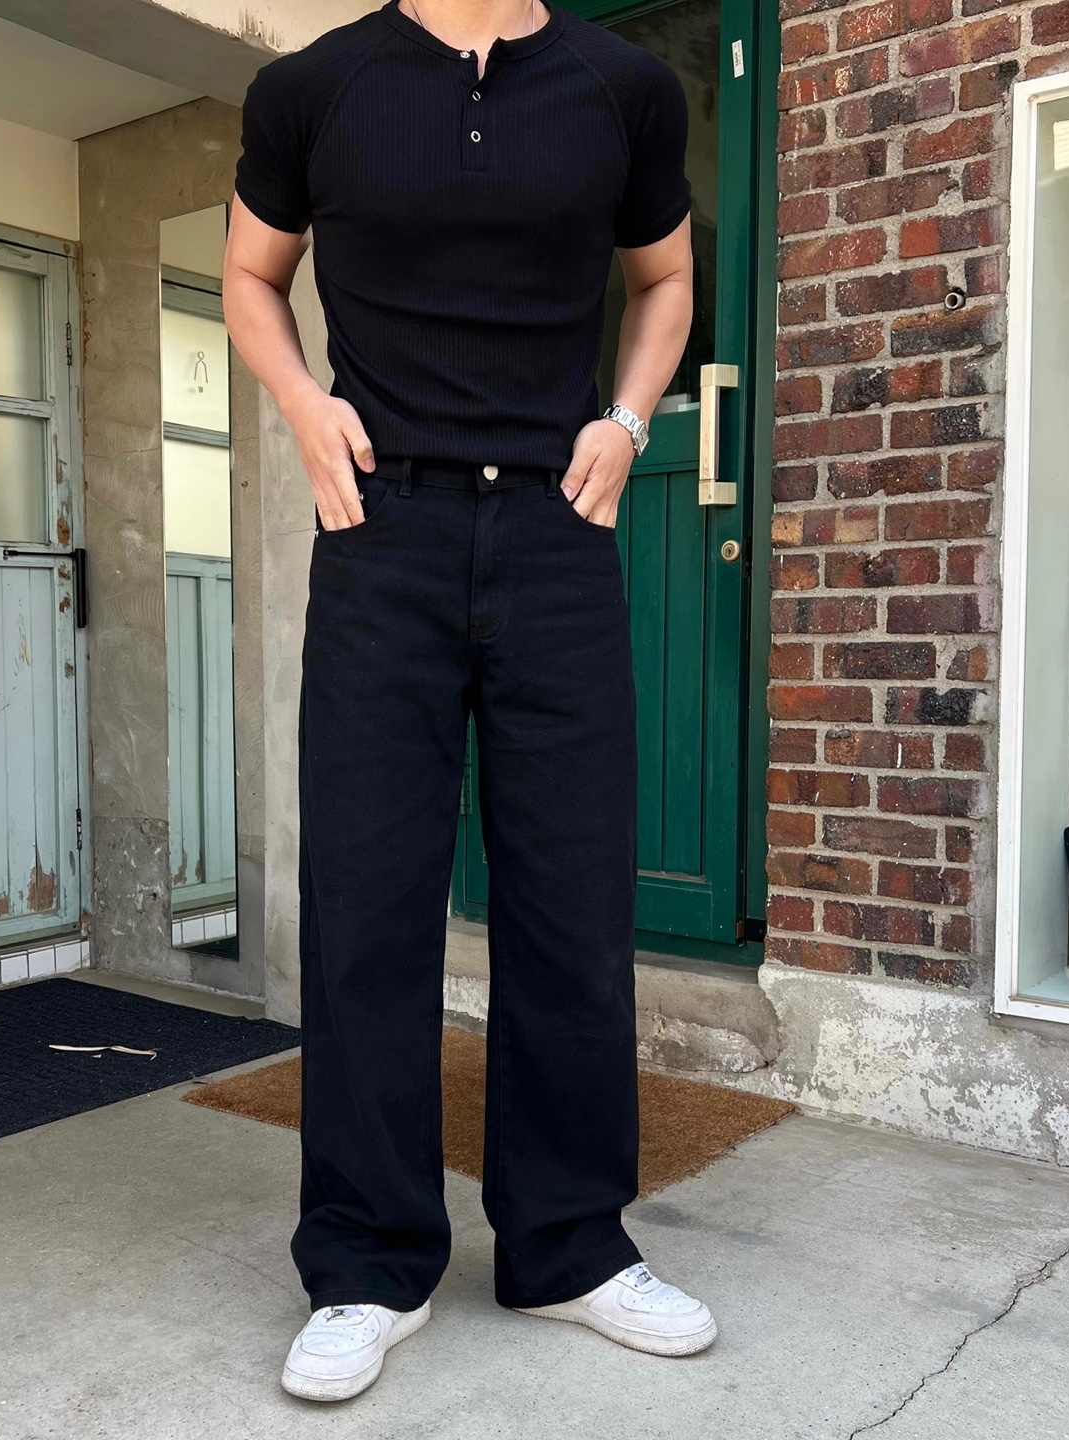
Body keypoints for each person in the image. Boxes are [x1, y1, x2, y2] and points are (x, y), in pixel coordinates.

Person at [223, 0, 708, 1402]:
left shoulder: (623, 87)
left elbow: (665, 280)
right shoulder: (316, 88)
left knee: (572, 898)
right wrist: (305, 405)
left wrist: (628, 421)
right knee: (369, 901)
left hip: (559, 531)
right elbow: (250, 272)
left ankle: (569, 1246)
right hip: (384, 533)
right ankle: (368, 1262)